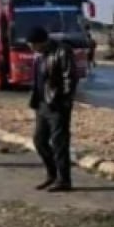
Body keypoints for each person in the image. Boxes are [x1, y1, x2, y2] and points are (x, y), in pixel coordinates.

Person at [27, 26, 78, 192]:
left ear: (42, 42)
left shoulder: (62, 51)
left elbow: (69, 78)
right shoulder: (39, 55)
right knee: (39, 141)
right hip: (42, 104)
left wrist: (63, 100)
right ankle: (52, 175)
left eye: (33, 45)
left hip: (57, 105)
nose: (31, 48)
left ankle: (64, 180)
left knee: (59, 143)